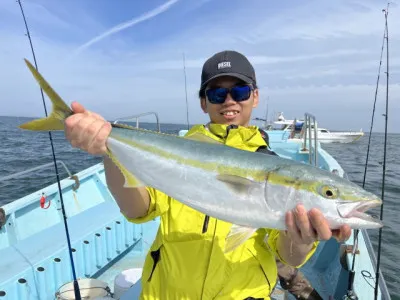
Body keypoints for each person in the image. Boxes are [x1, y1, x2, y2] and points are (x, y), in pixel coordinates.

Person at [64, 50, 351, 299]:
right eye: (217, 93)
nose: (229, 101)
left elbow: (288, 257)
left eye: (239, 91)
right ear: (204, 102)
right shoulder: (180, 152)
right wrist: (108, 150)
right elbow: (137, 209)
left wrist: (302, 239)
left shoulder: (271, 165)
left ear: (255, 97)